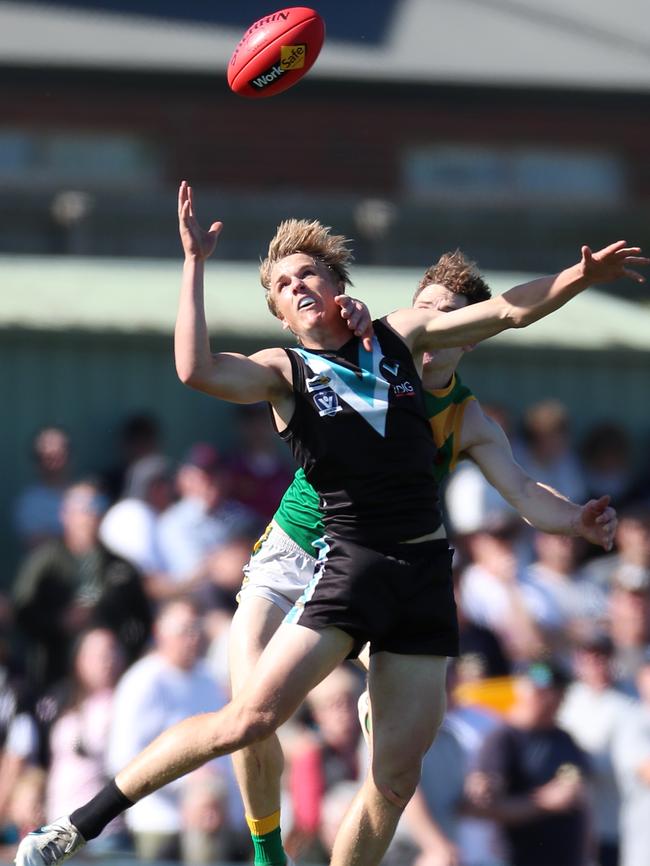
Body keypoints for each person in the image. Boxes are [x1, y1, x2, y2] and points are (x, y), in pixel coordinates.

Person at [15, 182, 647, 866]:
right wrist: (194, 263)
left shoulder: (409, 349)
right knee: (249, 716)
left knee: (394, 779)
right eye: (283, 284)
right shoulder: (286, 370)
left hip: (425, 576)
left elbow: (509, 316)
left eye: (309, 271)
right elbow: (194, 368)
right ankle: (81, 826)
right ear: (281, 315)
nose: (298, 284)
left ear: (341, 285)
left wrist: (579, 278)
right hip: (332, 558)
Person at [13, 480, 152, 690]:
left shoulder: (121, 566)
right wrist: (59, 622)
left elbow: (142, 620)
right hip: (57, 677)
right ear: (65, 514)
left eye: (98, 505)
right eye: (83, 507)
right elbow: (22, 612)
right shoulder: (44, 563)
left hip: (114, 679)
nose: (90, 515)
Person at [465, 661, 591, 866]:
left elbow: (583, 802)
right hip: (518, 856)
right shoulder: (503, 738)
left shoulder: (564, 738)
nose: (551, 700)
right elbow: (486, 806)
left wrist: (588, 854)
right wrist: (543, 803)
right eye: (542, 692)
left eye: (557, 693)